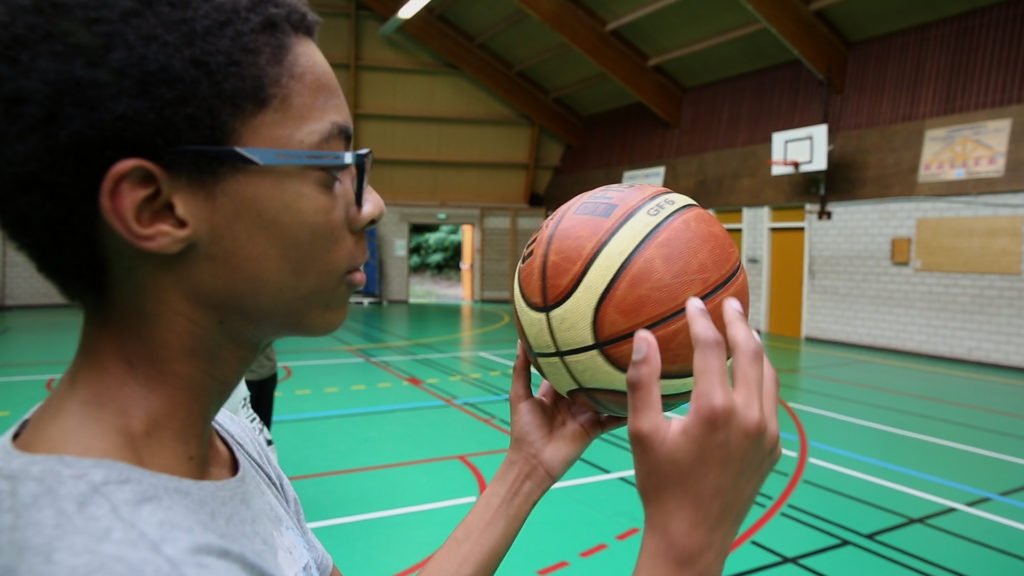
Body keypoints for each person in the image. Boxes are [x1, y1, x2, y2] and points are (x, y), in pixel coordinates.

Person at [0, 1, 780, 575]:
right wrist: (686, 543)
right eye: (332, 165)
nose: (369, 203)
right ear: (158, 208)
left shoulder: (220, 425)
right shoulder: (107, 556)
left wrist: (527, 469)